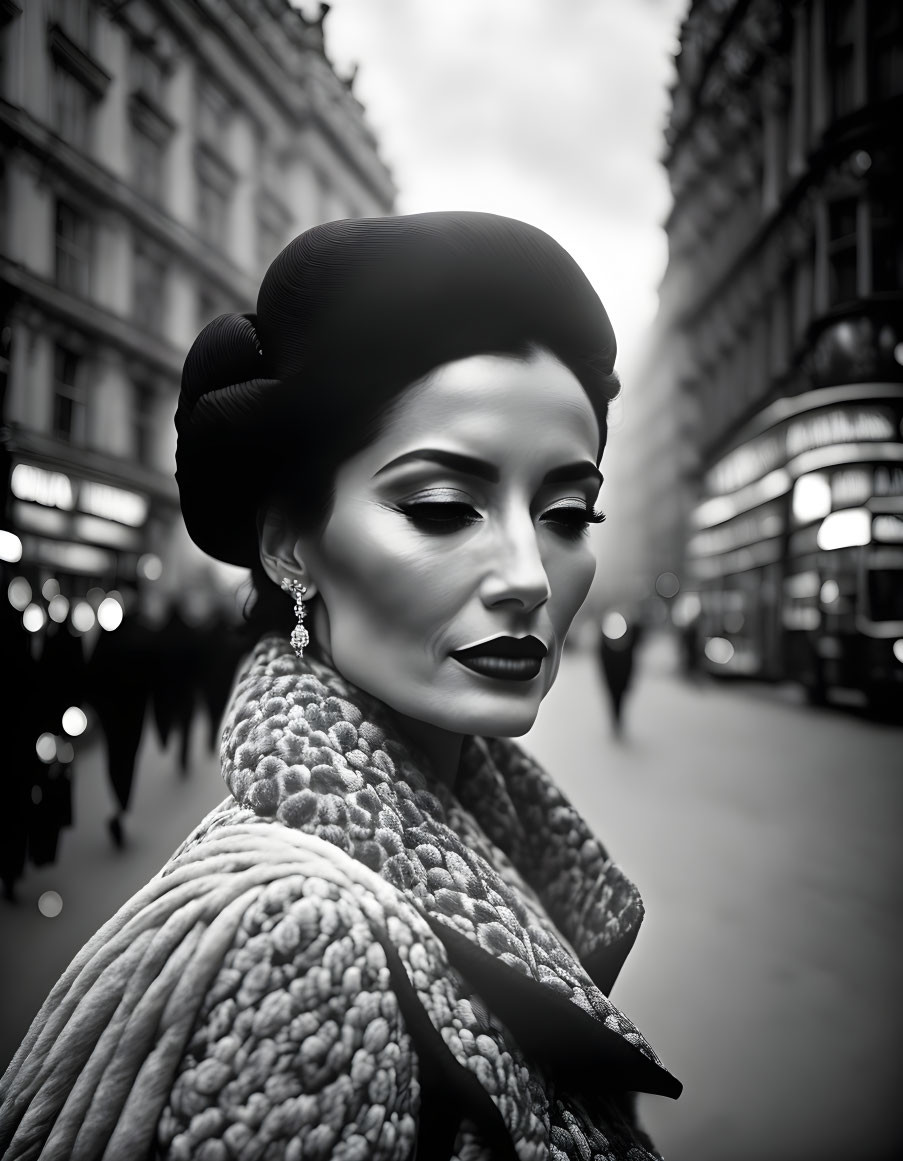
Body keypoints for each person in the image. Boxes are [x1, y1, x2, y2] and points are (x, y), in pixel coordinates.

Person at [0, 212, 681, 1159]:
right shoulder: (304, 946)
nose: (529, 572)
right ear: (288, 541)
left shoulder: (485, 834)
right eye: (443, 507)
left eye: (567, 511)